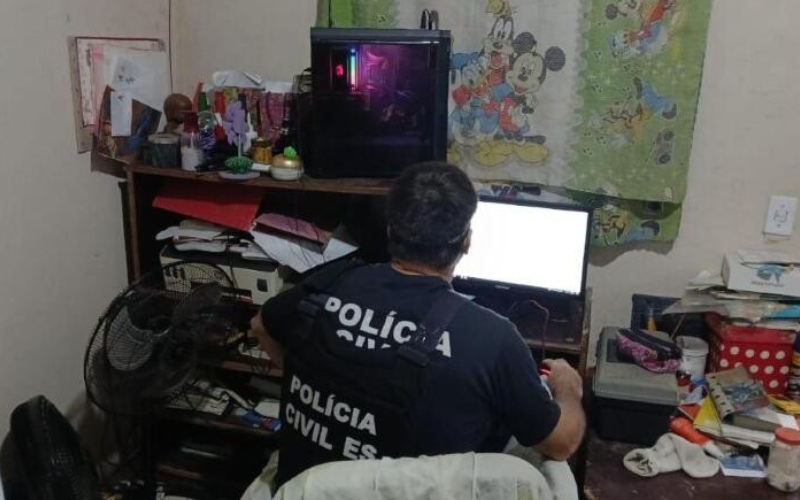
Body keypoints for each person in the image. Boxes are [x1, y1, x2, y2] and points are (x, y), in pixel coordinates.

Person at [250, 161, 586, 486]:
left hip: (302, 489)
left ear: (390, 230)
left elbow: (261, 327)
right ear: (467, 242)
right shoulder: (493, 338)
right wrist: (567, 387)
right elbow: (562, 443)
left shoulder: (330, 282)